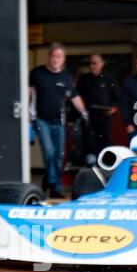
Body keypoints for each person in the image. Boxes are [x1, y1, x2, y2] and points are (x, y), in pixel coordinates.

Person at [29, 43, 87, 198]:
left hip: (59, 122)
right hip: (40, 120)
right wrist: (26, 116)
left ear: (63, 59)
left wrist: (84, 113)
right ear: (49, 57)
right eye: (53, 56)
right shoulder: (37, 73)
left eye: (59, 57)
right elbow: (27, 93)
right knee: (49, 152)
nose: (55, 60)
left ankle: (49, 180)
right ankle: (55, 187)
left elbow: (74, 97)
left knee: (59, 156)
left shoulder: (66, 78)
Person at [75, 54, 119, 161]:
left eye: (94, 63)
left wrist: (114, 109)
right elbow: (76, 97)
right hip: (87, 117)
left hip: (104, 117)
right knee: (87, 143)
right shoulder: (83, 79)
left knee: (104, 143)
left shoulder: (109, 79)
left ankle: (104, 167)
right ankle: (89, 168)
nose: (91, 66)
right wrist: (73, 119)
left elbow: (118, 97)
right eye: (90, 63)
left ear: (101, 64)